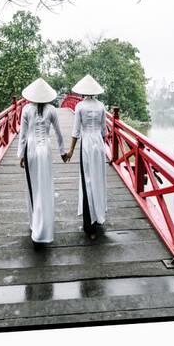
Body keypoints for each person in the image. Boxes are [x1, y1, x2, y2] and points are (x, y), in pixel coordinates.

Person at [18, 77, 68, 249]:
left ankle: (34, 225)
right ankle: (44, 227)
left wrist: (20, 156)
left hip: (31, 149)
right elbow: (60, 134)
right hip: (45, 149)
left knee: (33, 186)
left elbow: (22, 135)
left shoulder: (26, 109)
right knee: (45, 187)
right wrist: (63, 152)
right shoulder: (52, 110)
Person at [66, 74, 107, 240]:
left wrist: (70, 151)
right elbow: (104, 131)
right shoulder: (102, 106)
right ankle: (98, 216)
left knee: (87, 181)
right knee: (98, 179)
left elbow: (76, 131)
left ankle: (89, 226)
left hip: (87, 144)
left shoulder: (80, 107)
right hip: (99, 144)